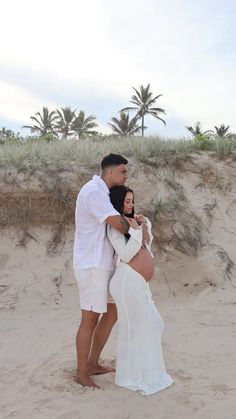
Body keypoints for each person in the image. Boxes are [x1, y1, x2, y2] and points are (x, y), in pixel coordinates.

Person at [107, 185, 174, 396]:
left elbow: (147, 244)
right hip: (126, 282)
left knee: (153, 324)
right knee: (136, 328)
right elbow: (126, 254)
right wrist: (135, 229)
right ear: (118, 203)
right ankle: (131, 377)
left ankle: (145, 373)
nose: (131, 205)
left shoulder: (133, 221)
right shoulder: (114, 227)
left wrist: (145, 225)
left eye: (132, 201)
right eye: (127, 201)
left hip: (139, 284)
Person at [73, 154, 130, 388]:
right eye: (123, 172)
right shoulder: (94, 192)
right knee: (89, 319)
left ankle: (93, 363)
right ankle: (81, 372)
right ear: (111, 172)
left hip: (104, 265)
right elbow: (118, 223)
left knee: (113, 313)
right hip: (92, 265)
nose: (126, 176)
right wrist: (136, 223)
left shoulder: (103, 193)